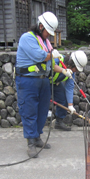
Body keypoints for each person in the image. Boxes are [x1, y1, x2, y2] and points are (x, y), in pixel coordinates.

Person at [15, 12, 72, 158]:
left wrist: (64, 71)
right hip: (28, 81)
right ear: (41, 26)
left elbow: (51, 63)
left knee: (42, 111)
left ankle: (38, 137)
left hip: (43, 81)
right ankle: (31, 143)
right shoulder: (27, 38)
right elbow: (39, 56)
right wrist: (53, 54)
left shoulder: (45, 42)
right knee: (29, 111)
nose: (50, 36)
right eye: (48, 32)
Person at [50, 51, 88, 131]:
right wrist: (62, 70)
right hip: (44, 81)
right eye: (76, 69)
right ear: (72, 64)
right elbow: (49, 67)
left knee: (63, 98)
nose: (76, 71)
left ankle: (58, 122)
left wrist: (70, 105)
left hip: (55, 83)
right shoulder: (58, 60)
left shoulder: (71, 72)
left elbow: (69, 87)